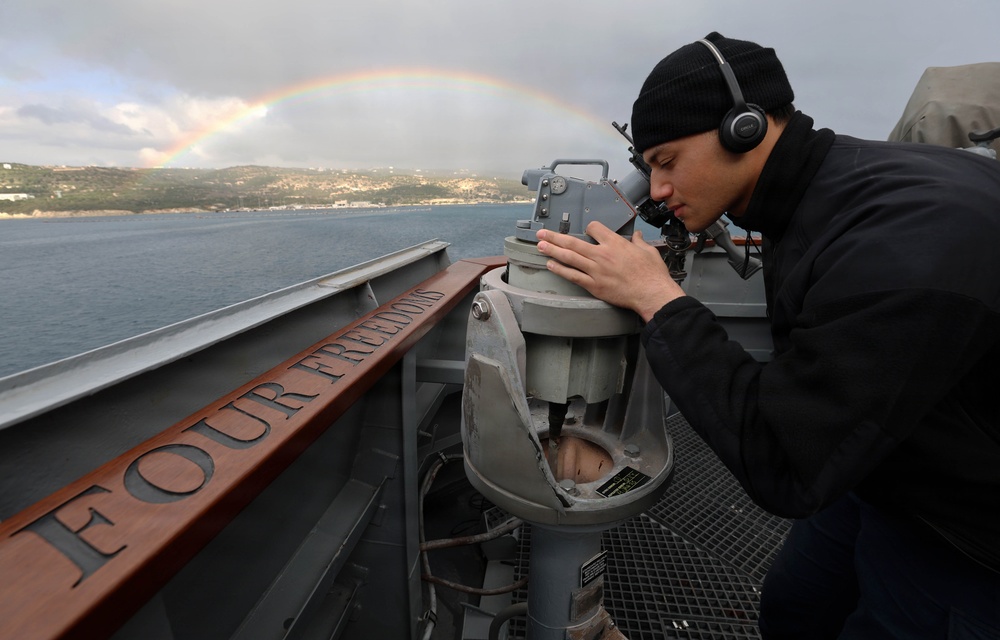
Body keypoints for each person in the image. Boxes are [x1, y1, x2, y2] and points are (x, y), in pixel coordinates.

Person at [536, 32, 1000, 639]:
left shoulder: (903, 241)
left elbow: (785, 462)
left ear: (745, 127)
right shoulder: (822, 190)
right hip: (886, 465)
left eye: (667, 161)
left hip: (967, 534)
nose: (658, 190)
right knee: (795, 608)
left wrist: (657, 298)